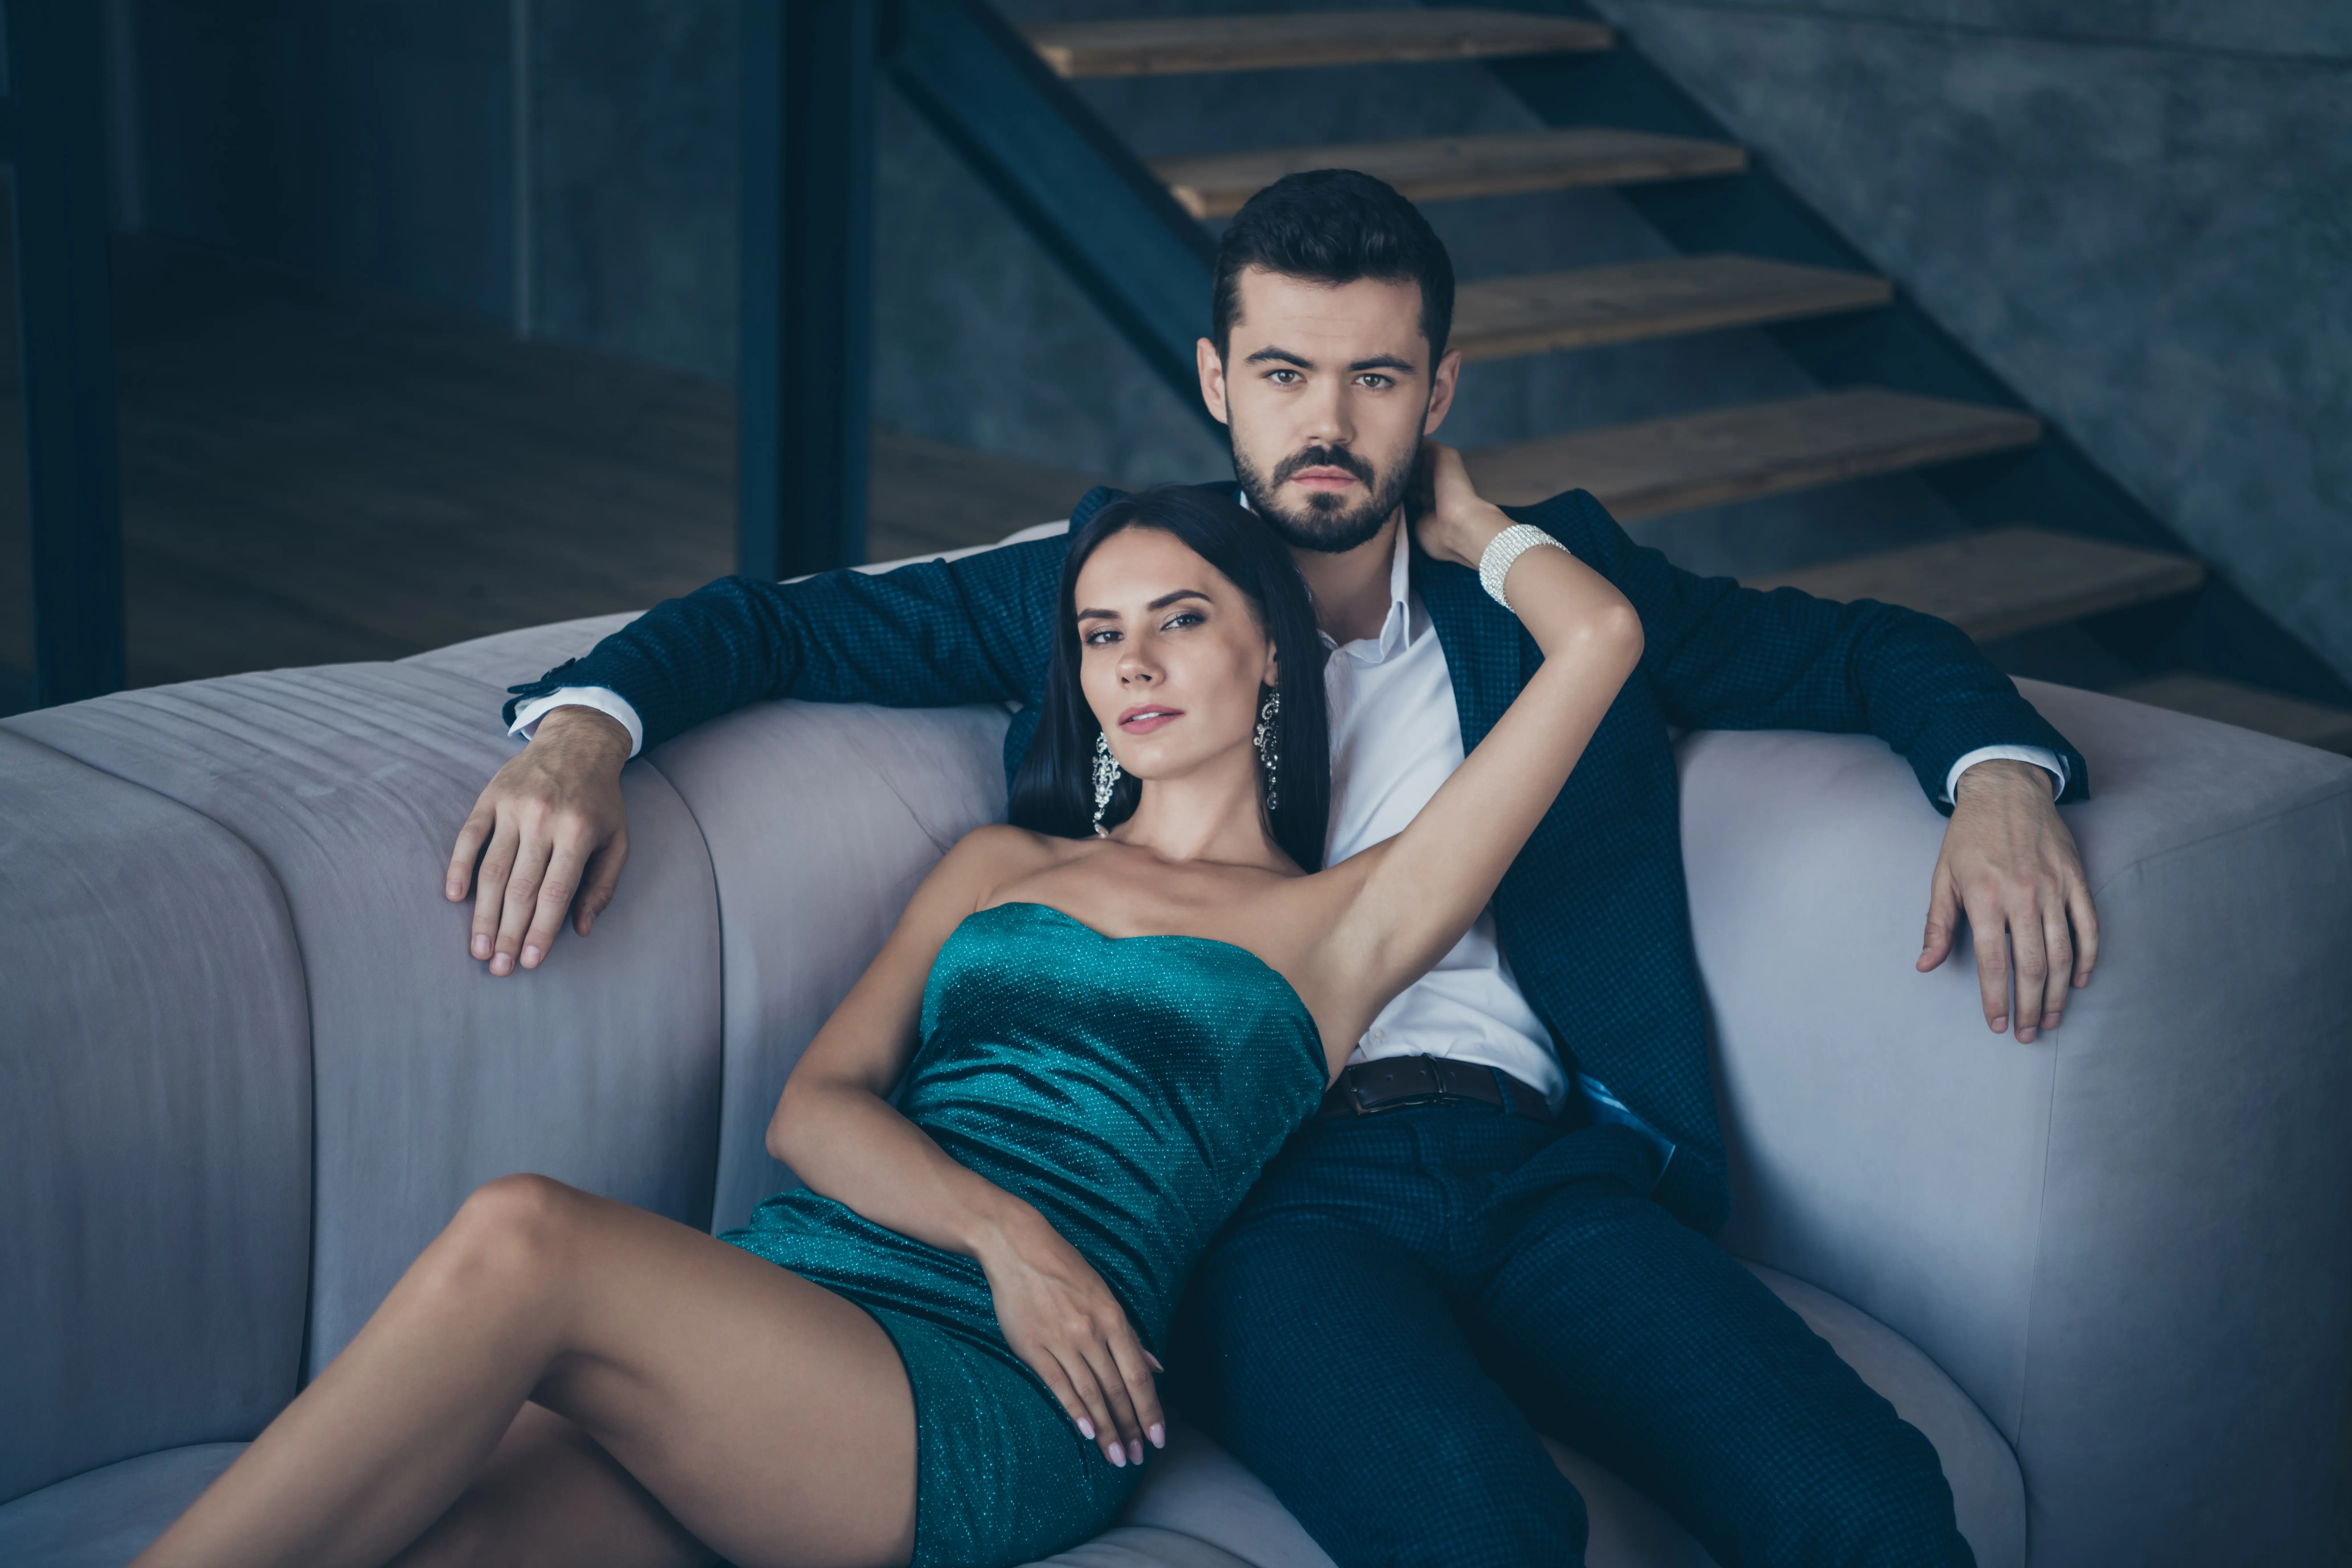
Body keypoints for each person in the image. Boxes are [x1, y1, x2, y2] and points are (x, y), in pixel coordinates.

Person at [447, 171, 2095, 1565]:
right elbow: (776, 621)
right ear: (1218, 381)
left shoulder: (1541, 594)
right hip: (1266, 1201)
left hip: (1546, 1169)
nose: (1328, 421)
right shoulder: (1111, 589)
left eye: (1376, 380)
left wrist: (2002, 781)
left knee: (1861, 1497)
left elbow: (1863, 649)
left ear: (1437, 398)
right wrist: (585, 736)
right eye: (1288, 374)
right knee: (1478, 1522)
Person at [129, 474, 1645, 1568]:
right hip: (813, 1297)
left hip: (998, 1398)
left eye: (1179, 620)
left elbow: (1600, 647)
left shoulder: (1344, 924)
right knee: (450, 1539)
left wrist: (1457, 516)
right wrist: (1006, 1233)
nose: (1132, 661)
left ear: (1264, 646)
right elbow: (817, 1106)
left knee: (524, 1239)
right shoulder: (1001, 865)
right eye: (1101, 633)